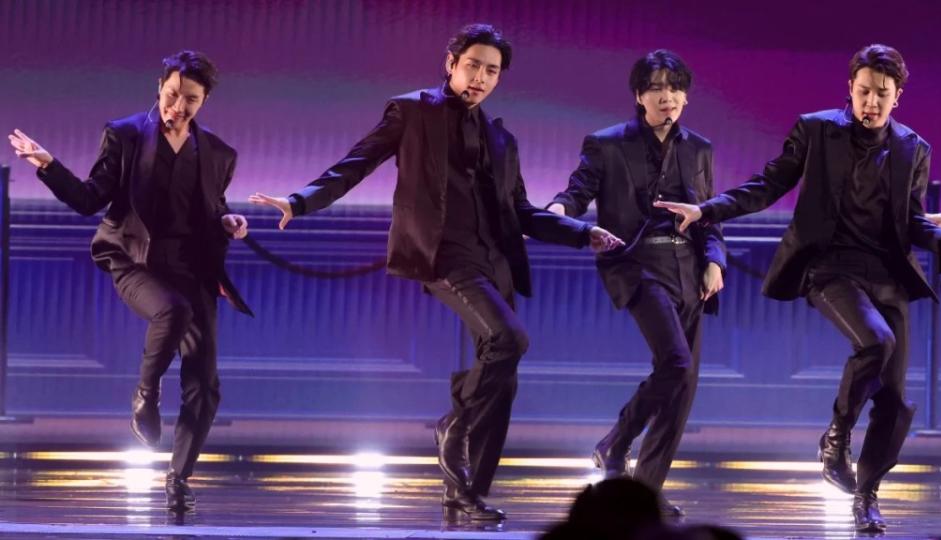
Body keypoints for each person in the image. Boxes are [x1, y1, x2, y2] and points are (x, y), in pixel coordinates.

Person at [248, 23, 623, 521]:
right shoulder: (412, 111)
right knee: (509, 340)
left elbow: (520, 212)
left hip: (495, 259)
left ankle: (465, 493)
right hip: (443, 254)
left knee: (503, 382)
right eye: (473, 65)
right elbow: (354, 164)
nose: (481, 78)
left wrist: (582, 233)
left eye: (492, 71)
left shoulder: (500, 138)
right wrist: (299, 201)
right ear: (451, 63)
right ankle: (454, 420)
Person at [655, 44, 941, 532]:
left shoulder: (912, 148)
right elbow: (767, 185)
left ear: (897, 96)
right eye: (863, 92)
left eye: (882, 94)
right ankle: (836, 437)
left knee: (895, 401)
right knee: (876, 341)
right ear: (850, 89)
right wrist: (706, 209)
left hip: (886, 275)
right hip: (829, 267)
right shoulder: (816, 130)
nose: (871, 103)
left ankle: (867, 496)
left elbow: (914, 222)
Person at [8, 50, 252, 512]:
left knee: (204, 382)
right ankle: (146, 392)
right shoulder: (124, 135)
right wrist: (47, 164)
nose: (178, 107)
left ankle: (178, 478)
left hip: (193, 267)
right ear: (160, 87)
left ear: (204, 102)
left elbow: (213, 211)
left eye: (191, 100)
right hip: (134, 261)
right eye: (173, 95)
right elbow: (88, 199)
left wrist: (230, 221)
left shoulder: (218, 153)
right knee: (172, 310)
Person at [547, 50, 724, 517]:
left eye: (675, 88)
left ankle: (644, 494)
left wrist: (716, 261)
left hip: (689, 269)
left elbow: (709, 215)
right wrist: (560, 213)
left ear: (685, 95)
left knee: (682, 386)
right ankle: (616, 441)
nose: (667, 97)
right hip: (636, 263)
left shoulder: (699, 148)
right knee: (675, 362)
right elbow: (577, 190)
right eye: (656, 88)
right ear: (638, 95)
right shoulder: (607, 144)